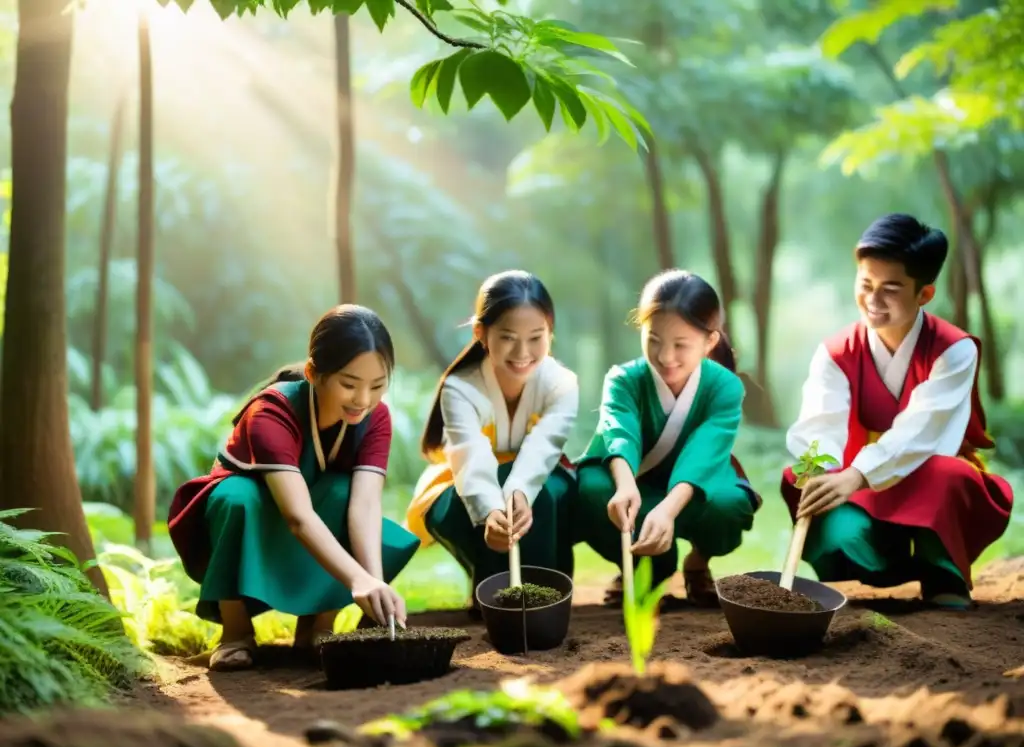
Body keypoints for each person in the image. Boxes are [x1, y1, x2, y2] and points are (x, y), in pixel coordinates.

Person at [781, 213, 1014, 610]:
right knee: (832, 521)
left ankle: (941, 573)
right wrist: (820, 471)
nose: (872, 301)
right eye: (865, 284)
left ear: (924, 294)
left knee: (948, 473)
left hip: (924, 473)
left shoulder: (954, 350)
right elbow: (822, 424)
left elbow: (923, 432)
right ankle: (879, 568)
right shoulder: (836, 352)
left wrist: (859, 474)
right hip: (857, 475)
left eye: (891, 289)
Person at [168, 305, 419, 670]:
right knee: (236, 497)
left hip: (316, 518)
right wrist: (356, 578)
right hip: (252, 525)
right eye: (349, 384)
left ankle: (318, 629)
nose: (363, 400)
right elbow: (297, 516)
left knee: (340, 490)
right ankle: (235, 632)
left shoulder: (375, 418)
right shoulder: (271, 412)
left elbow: (364, 507)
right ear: (315, 373)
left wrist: (373, 582)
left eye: (377, 386)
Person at [575, 270, 761, 608]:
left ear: (710, 341)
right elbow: (619, 432)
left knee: (729, 505)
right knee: (591, 488)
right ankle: (645, 566)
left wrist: (669, 509)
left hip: (695, 487)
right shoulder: (623, 379)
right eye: (654, 340)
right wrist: (625, 484)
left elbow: (704, 451)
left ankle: (698, 561)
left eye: (681, 345)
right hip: (637, 485)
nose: (665, 357)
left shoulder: (725, 386)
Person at [405, 270, 579, 612]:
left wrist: (518, 493)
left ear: (551, 332)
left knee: (544, 495)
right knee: (450, 510)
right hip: (468, 479)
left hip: (538, 476)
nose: (523, 352)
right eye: (508, 337)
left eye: (536, 337)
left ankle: (545, 595)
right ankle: (489, 587)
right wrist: (489, 512)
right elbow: (470, 457)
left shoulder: (562, 383)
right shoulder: (461, 388)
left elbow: (544, 447)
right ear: (481, 333)